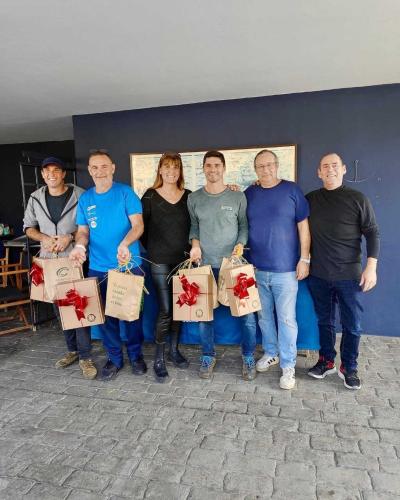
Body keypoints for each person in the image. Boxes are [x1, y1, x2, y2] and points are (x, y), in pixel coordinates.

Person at [70, 150, 147, 381]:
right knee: (105, 318)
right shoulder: (86, 199)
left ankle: (136, 356)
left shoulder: (125, 193)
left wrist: (125, 244)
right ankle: (114, 358)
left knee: (132, 315)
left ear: (113, 168)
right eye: (94, 167)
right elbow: (83, 232)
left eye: (104, 166)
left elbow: (138, 225)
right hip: (98, 268)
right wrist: (79, 246)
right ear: (89, 170)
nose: (99, 171)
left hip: (128, 266)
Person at [306, 153, 380, 390]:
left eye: (334, 165)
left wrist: (371, 267)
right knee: (324, 322)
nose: (330, 169)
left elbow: (372, 233)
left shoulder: (357, 198)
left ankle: (349, 367)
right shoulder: (310, 199)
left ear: (344, 169)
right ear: (319, 172)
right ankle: (326, 361)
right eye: (325, 166)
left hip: (349, 275)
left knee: (352, 325)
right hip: (318, 274)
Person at [23, 157, 96, 379]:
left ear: (64, 174)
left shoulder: (81, 195)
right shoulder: (35, 198)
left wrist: (69, 236)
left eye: (56, 170)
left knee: (79, 306)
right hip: (50, 260)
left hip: (75, 259)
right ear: (42, 174)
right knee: (59, 307)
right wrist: (43, 238)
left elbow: (90, 225)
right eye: (47, 171)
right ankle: (72, 350)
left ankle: (85, 356)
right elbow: (28, 227)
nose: (51, 174)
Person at [244, 149, 311, 390]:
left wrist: (305, 259)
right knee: (263, 317)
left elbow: (303, 227)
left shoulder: (292, 190)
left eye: (269, 164)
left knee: (286, 318)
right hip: (256, 268)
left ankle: (288, 364)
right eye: (260, 166)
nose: (266, 169)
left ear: (277, 165)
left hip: (286, 270)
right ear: (255, 170)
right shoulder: (249, 193)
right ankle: (271, 352)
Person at [188, 150, 257, 380]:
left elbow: (244, 226)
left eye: (217, 165)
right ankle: (208, 355)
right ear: (203, 169)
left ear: (224, 168)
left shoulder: (237, 197)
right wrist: (195, 245)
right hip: (205, 266)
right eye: (208, 165)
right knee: (204, 316)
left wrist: (240, 244)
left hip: (234, 266)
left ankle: (248, 356)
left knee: (247, 316)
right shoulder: (194, 198)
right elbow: (194, 227)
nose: (213, 169)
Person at [141, 152, 190, 383]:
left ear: (180, 171)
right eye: (167, 167)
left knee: (179, 308)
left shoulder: (189, 196)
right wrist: (155, 249)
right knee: (166, 309)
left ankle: (173, 350)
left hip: (183, 261)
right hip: (159, 260)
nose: (171, 171)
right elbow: (141, 230)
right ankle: (158, 358)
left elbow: (195, 226)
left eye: (176, 167)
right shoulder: (149, 196)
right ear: (160, 170)